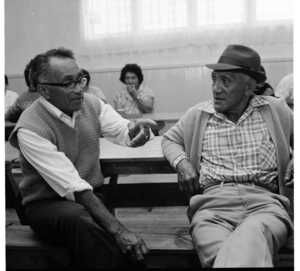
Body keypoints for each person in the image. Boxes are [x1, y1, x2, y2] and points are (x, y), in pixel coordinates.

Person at [9, 47, 157, 268]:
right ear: (44, 90)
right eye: (68, 83)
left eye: (80, 79)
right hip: (46, 206)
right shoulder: (30, 128)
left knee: (87, 225)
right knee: (80, 219)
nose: (79, 89)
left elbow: (121, 128)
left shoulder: (91, 104)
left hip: (90, 198)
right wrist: (119, 230)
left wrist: (135, 130)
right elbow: (73, 186)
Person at [161, 44, 294, 268]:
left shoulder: (276, 110)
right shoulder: (198, 114)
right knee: (244, 251)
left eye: (226, 81)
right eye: (214, 79)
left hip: (266, 206)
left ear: (249, 86)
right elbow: (169, 139)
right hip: (211, 209)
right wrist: (181, 163)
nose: (216, 89)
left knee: (250, 234)